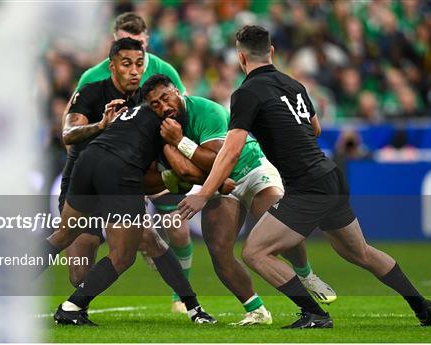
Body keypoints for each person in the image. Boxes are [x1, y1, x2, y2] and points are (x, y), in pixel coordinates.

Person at [178, 25, 431, 329]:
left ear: (241, 58)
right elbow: (314, 128)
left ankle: (315, 313)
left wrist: (203, 192)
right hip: (330, 175)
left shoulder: (246, 93)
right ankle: (421, 305)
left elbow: (231, 151)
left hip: (307, 185)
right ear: (272, 53)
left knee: (255, 251)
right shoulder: (294, 85)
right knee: (360, 252)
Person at [141, 74, 336, 325]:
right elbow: (186, 172)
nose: (163, 107)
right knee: (219, 250)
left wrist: (179, 141)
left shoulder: (206, 110)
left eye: (166, 98)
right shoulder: (162, 129)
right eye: (155, 104)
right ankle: (256, 311)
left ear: (178, 92)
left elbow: (220, 159)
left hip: (251, 168)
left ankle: (305, 272)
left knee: (281, 231)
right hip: (220, 186)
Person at [46, 38, 216, 326]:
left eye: (140, 64)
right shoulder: (167, 120)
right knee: (123, 256)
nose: (164, 105)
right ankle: (72, 308)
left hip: (89, 161)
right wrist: (217, 182)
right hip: (118, 170)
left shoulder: (133, 108)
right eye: (127, 64)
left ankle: (193, 307)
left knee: (144, 240)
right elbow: (184, 172)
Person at [63, 12, 193, 313]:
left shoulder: (164, 73)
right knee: (79, 272)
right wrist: (100, 128)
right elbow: (67, 133)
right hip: (92, 171)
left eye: (138, 50)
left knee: (176, 227)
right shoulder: (92, 80)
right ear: (113, 49)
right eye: (125, 48)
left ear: (146, 42)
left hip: (138, 170)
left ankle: (184, 300)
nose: (134, 68)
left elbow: (177, 117)